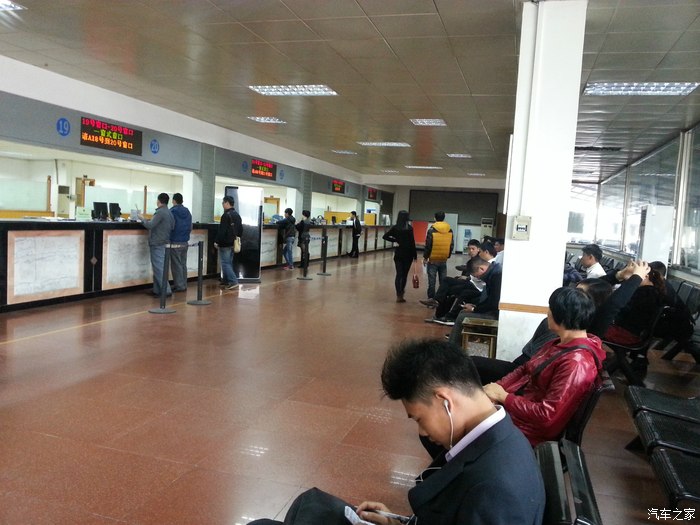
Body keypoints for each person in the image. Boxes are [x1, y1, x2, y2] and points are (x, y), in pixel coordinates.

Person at [249, 339, 545, 525]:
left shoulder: (495, 490)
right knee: (312, 507)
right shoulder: (501, 439)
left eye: (419, 418)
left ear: (445, 401)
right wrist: (400, 522)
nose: (423, 432)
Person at [483, 287, 606, 446]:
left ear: (561, 316)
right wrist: (496, 389)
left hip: (527, 428)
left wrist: (504, 397)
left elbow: (546, 416)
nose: (547, 313)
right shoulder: (558, 343)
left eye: (550, 309)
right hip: (518, 408)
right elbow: (525, 369)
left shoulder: (576, 363)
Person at [446, 257, 502, 342]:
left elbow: (494, 303)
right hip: (493, 311)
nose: (479, 278)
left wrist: (474, 309)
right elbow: (491, 300)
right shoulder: (494, 273)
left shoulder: (497, 277)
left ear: (481, 268)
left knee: (462, 317)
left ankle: (452, 345)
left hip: (496, 315)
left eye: (477, 276)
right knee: (463, 312)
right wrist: (475, 307)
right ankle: (455, 342)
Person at [139, 192, 174, 297]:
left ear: (158, 201)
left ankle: (166, 290)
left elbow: (150, 225)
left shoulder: (160, 212)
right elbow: (172, 226)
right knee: (159, 267)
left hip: (157, 243)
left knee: (158, 268)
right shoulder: (169, 212)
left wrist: (142, 219)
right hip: (165, 242)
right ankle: (157, 290)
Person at [382, 210, 417, 303]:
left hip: (398, 254)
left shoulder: (395, 228)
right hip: (408, 254)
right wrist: (415, 255)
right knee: (404, 275)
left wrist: (395, 240)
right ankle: (401, 293)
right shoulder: (409, 228)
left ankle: (398, 294)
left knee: (398, 274)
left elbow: (385, 236)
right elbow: (412, 242)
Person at [422, 211, 453, 300]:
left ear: (435, 218)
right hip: (443, 259)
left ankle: (431, 298)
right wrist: (447, 255)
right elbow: (451, 245)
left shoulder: (431, 230)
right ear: (444, 218)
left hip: (433, 259)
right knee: (443, 280)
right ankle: (441, 298)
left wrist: (425, 257)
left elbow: (428, 245)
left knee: (432, 281)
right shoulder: (449, 230)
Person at [214, 195, 242, 290]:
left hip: (225, 243)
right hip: (233, 243)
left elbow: (222, 231)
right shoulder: (237, 215)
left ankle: (233, 281)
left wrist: (217, 241)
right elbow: (241, 230)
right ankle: (226, 281)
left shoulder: (225, 215)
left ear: (227, 203)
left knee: (225, 263)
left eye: (223, 203)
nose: (222, 204)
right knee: (228, 263)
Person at [169, 192, 192, 292]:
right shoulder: (187, 211)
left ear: (173, 201)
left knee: (176, 265)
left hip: (175, 241)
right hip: (185, 241)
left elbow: (170, 226)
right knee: (183, 264)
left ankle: (179, 286)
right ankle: (183, 284)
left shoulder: (172, 211)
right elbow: (190, 226)